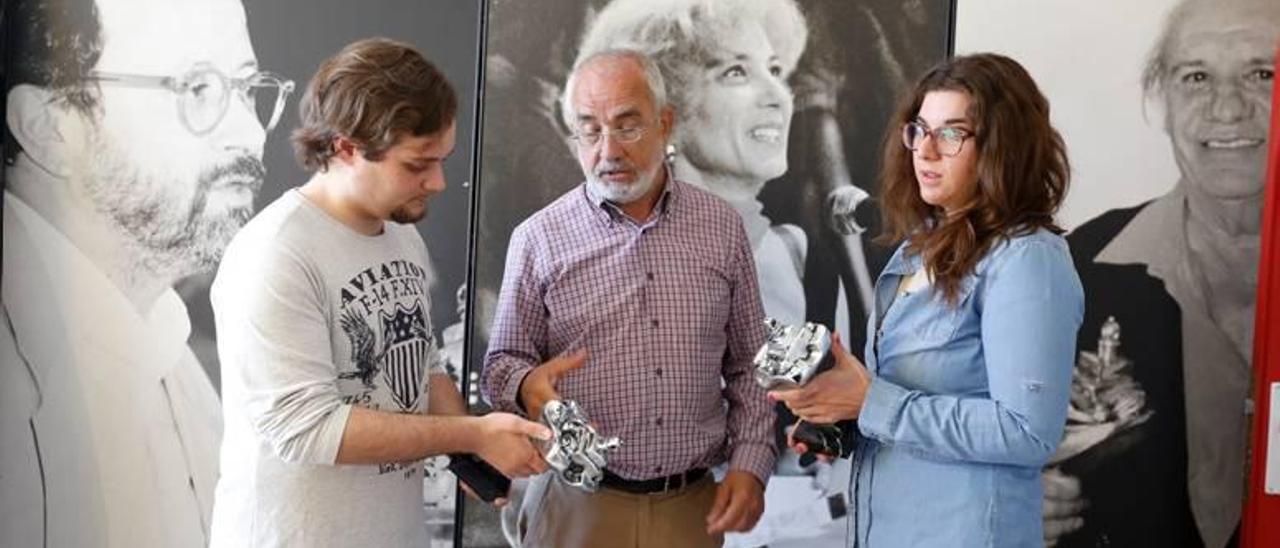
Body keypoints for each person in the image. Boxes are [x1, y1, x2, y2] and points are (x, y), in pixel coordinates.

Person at [208, 38, 550, 547]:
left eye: (442, 159)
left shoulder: (400, 234)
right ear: (346, 148)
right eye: (417, 164)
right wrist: (473, 434)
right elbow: (307, 430)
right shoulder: (274, 253)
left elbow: (421, 367)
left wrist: (473, 455)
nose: (437, 182)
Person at [0, 0, 290, 544]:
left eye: (247, 89)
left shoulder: (158, 333)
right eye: (197, 88)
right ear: (50, 129)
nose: (250, 135)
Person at [772, 53, 1084, 547]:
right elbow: (912, 405)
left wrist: (871, 401)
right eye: (919, 129)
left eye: (952, 133)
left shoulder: (1027, 260)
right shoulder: (918, 248)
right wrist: (842, 419)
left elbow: (1026, 432)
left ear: (1004, 146)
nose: (926, 150)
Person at [480, 49, 775, 547]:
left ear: (665, 123)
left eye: (627, 126)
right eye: (589, 130)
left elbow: (751, 364)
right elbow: (499, 366)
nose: (608, 150)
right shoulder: (539, 238)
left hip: (692, 508)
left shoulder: (722, 228)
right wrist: (527, 383)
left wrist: (751, 464)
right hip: (576, 507)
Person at [1043, 0, 1280, 546]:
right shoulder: (1081, 264)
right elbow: (994, 432)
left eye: (1262, 73)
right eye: (1196, 77)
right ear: (1164, 101)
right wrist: (1010, 492)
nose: (1227, 109)